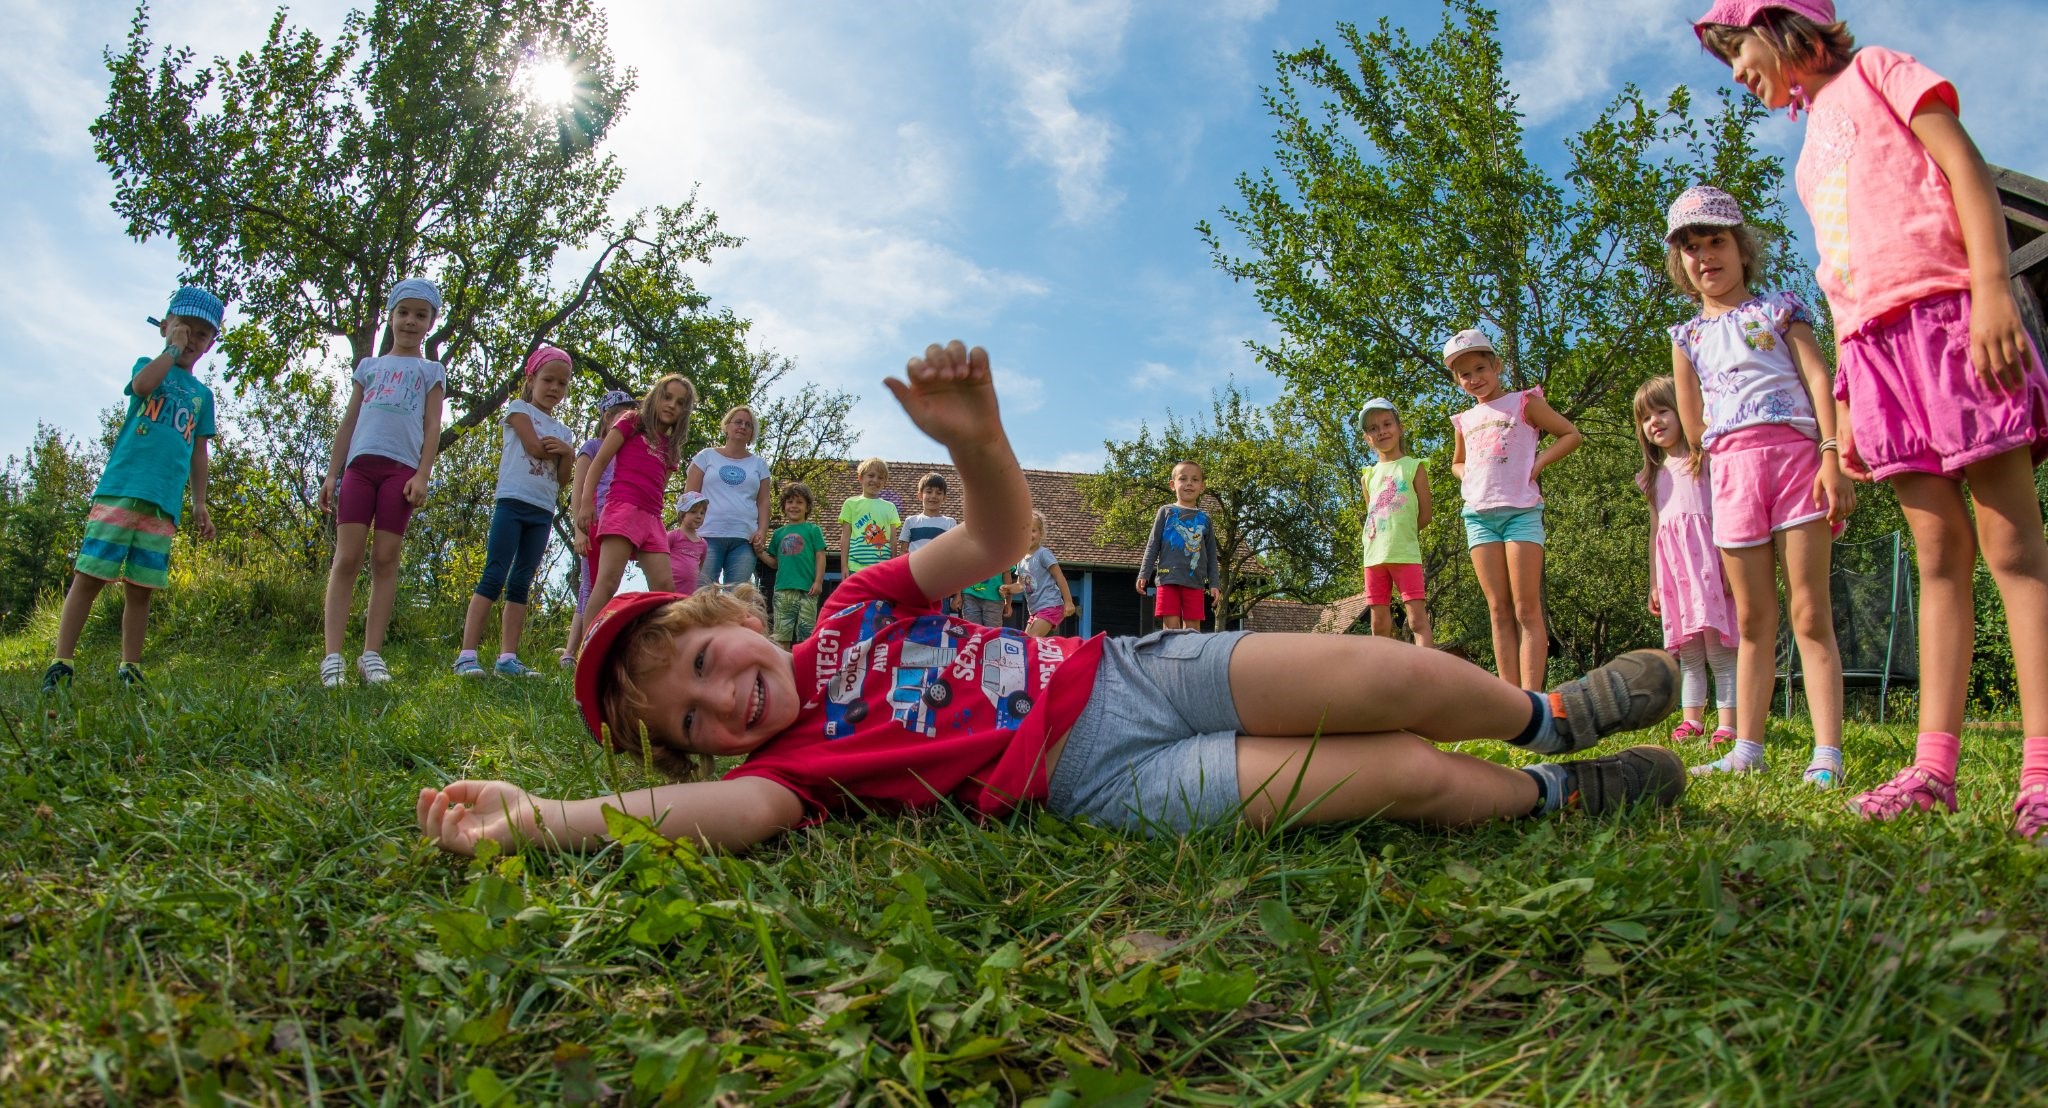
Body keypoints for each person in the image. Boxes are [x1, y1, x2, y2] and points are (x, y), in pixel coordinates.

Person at [417, 339, 1688, 858]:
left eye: (700, 665)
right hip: (1100, 784)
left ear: (729, 621)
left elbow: (1004, 533)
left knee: (1393, 679)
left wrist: (978, 435)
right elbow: (691, 814)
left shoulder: (855, 605)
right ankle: (1551, 793)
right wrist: (540, 817)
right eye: (693, 720)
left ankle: (1542, 716)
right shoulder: (790, 776)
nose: (722, 700)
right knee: (1394, 769)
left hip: (1122, 677)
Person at [1694, 2, 2048, 831]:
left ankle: (2041, 768)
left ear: (1782, 25)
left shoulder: (1880, 70)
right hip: (1877, 356)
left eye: (1738, 50)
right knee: (1938, 555)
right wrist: (1847, 399)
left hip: (1950, 320)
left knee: (2010, 545)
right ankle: (1934, 767)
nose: (1739, 72)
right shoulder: (1809, 149)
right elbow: (1840, 283)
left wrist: (1994, 290)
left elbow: (1965, 170)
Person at [1663, 185, 1852, 786]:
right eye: (1691, 249)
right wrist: (1713, 456)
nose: (1704, 258)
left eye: (1715, 242)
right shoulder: (1686, 337)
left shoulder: (1780, 310)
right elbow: (1692, 422)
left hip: (1798, 460)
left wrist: (1832, 454)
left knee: (1809, 610)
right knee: (1750, 619)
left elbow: (1821, 381)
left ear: (1742, 249)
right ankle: (1748, 746)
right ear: (1681, 264)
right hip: (1733, 475)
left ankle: (1827, 752)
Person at [42, 287, 223, 694]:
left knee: (141, 589)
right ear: (165, 327)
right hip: (120, 493)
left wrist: (199, 502)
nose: (191, 341)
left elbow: (199, 451)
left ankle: (130, 667)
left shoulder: (201, 396)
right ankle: (61, 662)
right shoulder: (150, 365)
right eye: (184, 329)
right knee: (88, 577)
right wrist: (171, 353)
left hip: (162, 506)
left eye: (201, 335)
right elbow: (142, 387)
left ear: (211, 343)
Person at [317, 278, 445, 688]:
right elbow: (349, 420)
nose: (410, 321)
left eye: (420, 315)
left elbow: (432, 425)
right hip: (359, 468)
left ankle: (371, 655)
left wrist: (422, 474)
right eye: (403, 312)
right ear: (390, 316)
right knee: (347, 558)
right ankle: (332, 657)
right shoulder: (368, 367)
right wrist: (332, 473)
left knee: (385, 560)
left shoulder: (430, 371)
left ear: (430, 323)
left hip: (401, 472)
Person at [1447, 329, 1582, 690]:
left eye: (1480, 368)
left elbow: (1571, 434)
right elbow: (1457, 463)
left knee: (1526, 609)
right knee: (1498, 610)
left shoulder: (1524, 402)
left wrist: (1537, 465)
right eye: (1465, 375)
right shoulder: (1464, 420)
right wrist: (1467, 476)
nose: (1475, 379)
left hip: (1521, 512)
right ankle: (1508, 703)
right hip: (1479, 517)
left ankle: (1531, 700)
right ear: (1457, 381)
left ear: (1497, 365)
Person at [453, 346, 575, 678]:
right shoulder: (518, 409)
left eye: (562, 384)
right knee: (494, 575)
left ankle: (508, 659)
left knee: (521, 581)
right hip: (512, 502)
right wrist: (564, 453)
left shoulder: (565, 432)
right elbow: (534, 447)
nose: (554, 388)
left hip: (542, 510)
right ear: (531, 378)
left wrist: (568, 453)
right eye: (548, 380)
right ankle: (467, 655)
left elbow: (563, 479)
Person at [1633, 375, 1738, 745]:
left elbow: (1726, 511)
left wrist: (1730, 562)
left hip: (1710, 565)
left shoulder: (1706, 460)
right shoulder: (1654, 477)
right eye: (1646, 417)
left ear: (1684, 411)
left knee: (1719, 648)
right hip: (1676, 573)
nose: (1654, 422)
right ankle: (1691, 720)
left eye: (1663, 411)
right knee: (1689, 650)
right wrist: (1654, 583)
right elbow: (1656, 532)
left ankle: (1728, 725)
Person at [576, 375, 695, 619]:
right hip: (623, 508)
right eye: (667, 397)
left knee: (666, 591)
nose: (672, 405)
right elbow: (598, 463)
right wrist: (586, 503)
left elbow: (659, 488)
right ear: (655, 397)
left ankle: (662, 651)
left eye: (680, 402)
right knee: (607, 583)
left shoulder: (671, 448)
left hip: (652, 519)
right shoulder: (632, 421)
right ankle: (586, 651)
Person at [561, 391, 639, 667]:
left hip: (618, 526)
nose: (629, 420)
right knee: (591, 587)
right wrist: (579, 531)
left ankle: (577, 652)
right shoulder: (593, 447)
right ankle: (578, 653)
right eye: (623, 414)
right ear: (607, 417)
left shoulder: (628, 451)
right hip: (592, 523)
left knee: (600, 586)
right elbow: (579, 488)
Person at [1357, 400, 1433, 648]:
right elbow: (1373, 514)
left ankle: (1429, 676)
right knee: (1378, 623)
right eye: (1373, 429)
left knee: (1416, 620)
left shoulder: (1414, 467)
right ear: (1368, 438)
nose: (1381, 431)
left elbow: (1425, 515)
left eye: (1387, 424)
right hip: (1373, 557)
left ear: (1400, 428)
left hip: (1405, 553)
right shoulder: (1368, 476)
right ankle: (1383, 680)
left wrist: (1402, 535)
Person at [686, 405, 771, 589]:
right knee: (702, 594)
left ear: (752, 434)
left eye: (748, 425)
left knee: (737, 597)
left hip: (744, 539)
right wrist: (688, 529)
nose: (742, 427)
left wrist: (762, 532)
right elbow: (690, 496)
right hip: (707, 535)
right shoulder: (705, 457)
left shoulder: (759, 464)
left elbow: (764, 501)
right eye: (738, 422)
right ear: (726, 426)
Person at [1136, 461, 1222, 632]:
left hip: (1195, 582)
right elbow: (1153, 545)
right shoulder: (1166, 512)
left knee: (1192, 630)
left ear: (1202, 486)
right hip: (1168, 579)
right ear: (1172, 484)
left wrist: (1214, 583)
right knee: (1171, 629)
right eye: (1183, 478)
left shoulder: (1205, 519)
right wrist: (1144, 573)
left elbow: (1211, 554)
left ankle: (1190, 659)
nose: (1189, 483)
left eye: (1195, 479)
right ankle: (1170, 658)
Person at [758, 482, 827, 648]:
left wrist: (818, 581)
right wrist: (760, 553)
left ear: (807, 507)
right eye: (790, 502)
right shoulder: (778, 533)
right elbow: (774, 563)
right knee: (782, 635)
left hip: (808, 590)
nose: (794, 506)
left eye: (799, 502)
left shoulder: (813, 530)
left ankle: (802, 669)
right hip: (783, 590)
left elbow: (820, 556)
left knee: (807, 635)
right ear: (784, 506)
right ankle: (784, 670)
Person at [896, 472, 961, 612]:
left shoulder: (949, 523)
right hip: (914, 580)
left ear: (944, 497)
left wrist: (958, 593)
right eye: (929, 491)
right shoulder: (910, 521)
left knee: (937, 620)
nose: (933, 496)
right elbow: (903, 552)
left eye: (938, 493)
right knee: (912, 617)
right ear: (920, 495)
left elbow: (954, 558)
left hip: (940, 582)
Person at [1009, 510, 1076, 637]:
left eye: (1033, 531)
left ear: (1041, 533)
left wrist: (1068, 601)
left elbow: (1059, 577)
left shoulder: (1043, 554)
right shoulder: (1021, 560)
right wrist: (1008, 588)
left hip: (1050, 605)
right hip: (1035, 611)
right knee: (1024, 642)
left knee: (1030, 641)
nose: (1029, 535)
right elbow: (1020, 585)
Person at [838, 458, 900, 573]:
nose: (875, 480)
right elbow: (845, 537)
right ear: (860, 478)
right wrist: (844, 566)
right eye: (871, 475)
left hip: (882, 569)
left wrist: (893, 568)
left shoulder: (890, 507)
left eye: (880, 477)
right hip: (854, 567)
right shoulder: (850, 504)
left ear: (885, 482)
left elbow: (893, 540)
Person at [667, 492, 710, 598]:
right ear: (682, 514)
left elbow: (699, 566)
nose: (699, 516)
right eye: (693, 512)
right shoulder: (673, 536)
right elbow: (660, 558)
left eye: (702, 513)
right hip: (669, 590)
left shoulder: (703, 544)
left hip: (688, 593)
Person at [959, 562, 1012, 628]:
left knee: (992, 632)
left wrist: (1008, 603)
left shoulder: (1004, 553)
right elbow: (962, 569)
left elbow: (1007, 577)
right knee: (971, 630)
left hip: (994, 599)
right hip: (970, 595)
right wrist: (958, 595)